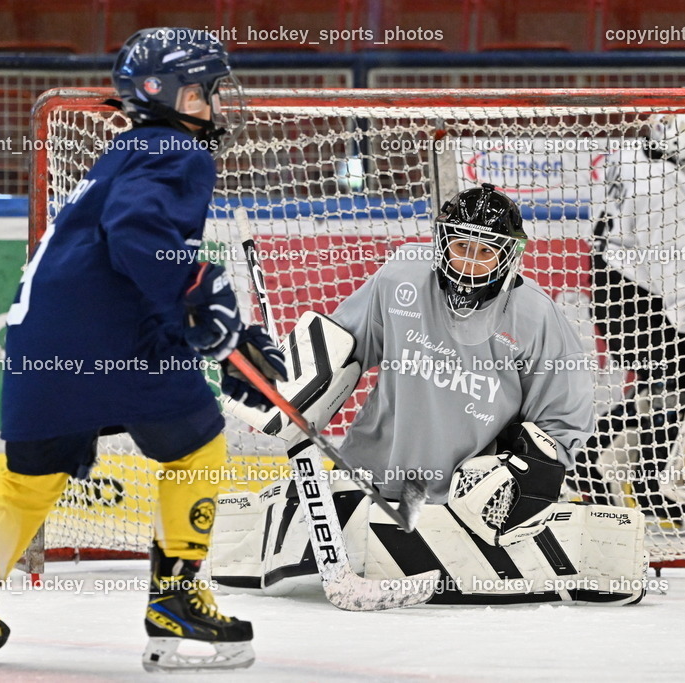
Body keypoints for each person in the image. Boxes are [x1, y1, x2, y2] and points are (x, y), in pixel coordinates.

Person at [0, 28, 285, 672]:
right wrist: (203, 291)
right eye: (207, 92)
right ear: (171, 95)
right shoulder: (175, 150)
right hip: (106, 346)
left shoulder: (122, 154)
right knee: (197, 442)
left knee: (27, 483)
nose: (219, 106)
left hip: (41, 345)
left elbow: (118, 273)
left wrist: (228, 338)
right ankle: (176, 597)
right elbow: (139, 235)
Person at [213, 183, 648, 605]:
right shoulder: (401, 277)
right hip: (372, 482)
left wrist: (526, 481)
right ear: (442, 242)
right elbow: (341, 343)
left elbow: (563, 421)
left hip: (467, 504)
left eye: (485, 251)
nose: (469, 262)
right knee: (261, 535)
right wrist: (285, 377)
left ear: (508, 257)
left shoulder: (536, 317)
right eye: (461, 246)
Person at [575, 113, 685, 524]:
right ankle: (654, 482)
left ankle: (591, 459)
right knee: (684, 379)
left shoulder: (630, 154)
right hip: (641, 293)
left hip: (614, 280)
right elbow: (669, 259)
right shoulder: (665, 184)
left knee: (660, 384)